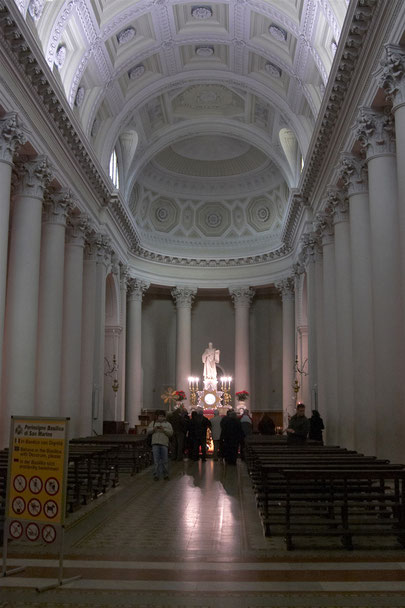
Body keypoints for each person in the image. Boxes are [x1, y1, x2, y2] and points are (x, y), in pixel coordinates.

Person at [147, 410, 173, 480]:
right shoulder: (153, 423)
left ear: (164, 417)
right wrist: (153, 429)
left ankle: (166, 474)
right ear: (157, 417)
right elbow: (148, 431)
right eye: (159, 416)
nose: (160, 418)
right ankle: (156, 474)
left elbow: (171, 433)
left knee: (165, 460)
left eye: (162, 416)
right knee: (156, 461)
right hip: (155, 443)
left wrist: (164, 430)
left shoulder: (168, 424)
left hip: (164, 443)